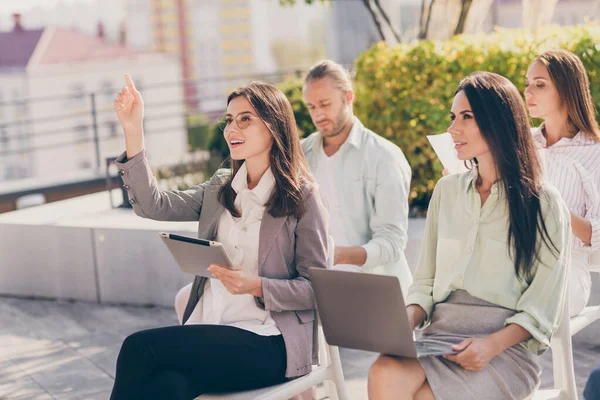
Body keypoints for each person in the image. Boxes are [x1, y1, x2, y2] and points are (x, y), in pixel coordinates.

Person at [110, 75, 328, 399]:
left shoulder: (301, 198)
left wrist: (255, 285)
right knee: (168, 387)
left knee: (138, 349)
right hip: (214, 331)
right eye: (228, 120)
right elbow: (152, 204)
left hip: (268, 340)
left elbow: (317, 290)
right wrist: (133, 129)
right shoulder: (220, 188)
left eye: (245, 119)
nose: (231, 130)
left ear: (274, 126)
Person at [368, 72, 571, 400]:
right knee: (383, 371)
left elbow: (542, 306)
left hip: (505, 349)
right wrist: (402, 325)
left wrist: (490, 346)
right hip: (439, 337)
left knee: (424, 397)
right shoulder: (446, 191)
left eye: (466, 117)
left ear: (498, 122)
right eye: (452, 117)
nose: (452, 129)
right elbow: (424, 285)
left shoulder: (543, 203)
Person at [301, 59, 413, 294]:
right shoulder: (300, 155)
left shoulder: (385, 156)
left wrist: (336, 256)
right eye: (311, 107)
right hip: (318, 291)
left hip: (378, 292)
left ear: (348, 97)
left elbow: (392, 242)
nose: (318, 114)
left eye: (325, 103)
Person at [524, 49, 600, 317]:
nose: (528, 92)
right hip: (516, 261)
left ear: (567, 90)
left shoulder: (594, 152)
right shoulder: (522, 144)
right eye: (527, 84)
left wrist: (555, 210)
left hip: (566, 268)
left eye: (540, 84)